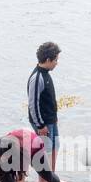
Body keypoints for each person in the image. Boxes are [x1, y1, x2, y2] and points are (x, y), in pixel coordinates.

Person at [27, 42, 62, 174]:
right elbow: (33, 104)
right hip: (43, 122)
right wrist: (40, 125)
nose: (57, 63)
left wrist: (55, 118)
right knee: (46, 151)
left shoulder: (46, 73)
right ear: (48, 60)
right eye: (55, 60)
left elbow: (49, 99)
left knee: (54, 147)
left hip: (51, 120)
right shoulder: (37, 78)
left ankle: (52, 178)